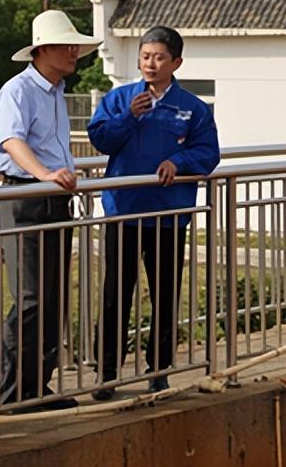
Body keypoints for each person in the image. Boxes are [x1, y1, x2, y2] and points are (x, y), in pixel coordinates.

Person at [86, 26, 219, 400]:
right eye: (145, 56)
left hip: (168, 214)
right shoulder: (119, 98)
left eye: (159, 57)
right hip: (123, 212)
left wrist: (179, 161)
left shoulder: (193, 108)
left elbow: (208, 153)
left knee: (164, 294)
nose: (150, 63)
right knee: (115, 293)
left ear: (176, 62)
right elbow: (100, 138)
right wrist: (128, 117)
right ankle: (107, 373)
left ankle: (159, 370)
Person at [0, 9, 100, 410]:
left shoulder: (55, 91)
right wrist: (45, 175)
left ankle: (37, 386)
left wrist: (56, 178)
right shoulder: (18, 89)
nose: (74, 52)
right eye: (66, 45)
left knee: (52, 297)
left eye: (75, 45)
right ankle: (10, 392)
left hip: (54, 197)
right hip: (26, 197)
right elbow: (9, 141)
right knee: (31, 296)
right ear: (42, 50)